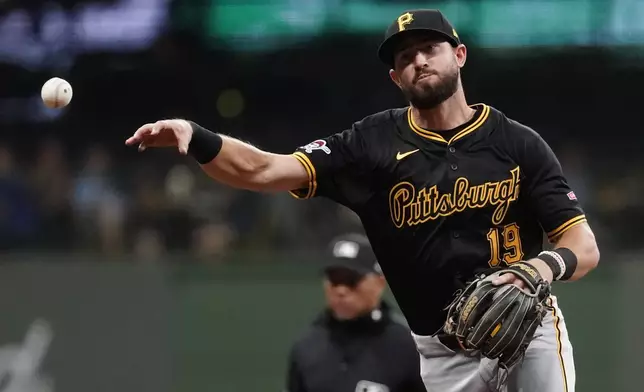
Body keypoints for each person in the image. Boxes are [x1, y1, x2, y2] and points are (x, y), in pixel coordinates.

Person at [125, 8, 600, 392]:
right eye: (406, 57)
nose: (419, 61)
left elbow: (583, 246)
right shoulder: (370, 144)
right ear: (396, 78)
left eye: (430, 48)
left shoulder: (517, 143)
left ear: (459, 54)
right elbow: (266, 168)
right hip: (443, 352)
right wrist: (198, 135)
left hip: (528, 329)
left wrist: (539, 268)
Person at [286, 233, 426, 392]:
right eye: (334, 279)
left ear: (379, 283)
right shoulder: (307, 346)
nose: (341, 290)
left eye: (351, 280)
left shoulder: (409, 347)